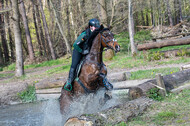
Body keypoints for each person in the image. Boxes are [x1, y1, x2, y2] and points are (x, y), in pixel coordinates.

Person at [64, 18, 113, 91]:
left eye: (97, 27)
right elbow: (75, 45)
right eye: (95, 27)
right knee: (74, 65)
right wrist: (82, 51)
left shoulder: (96, 34)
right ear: (91, 27)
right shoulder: (84, 34)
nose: (97, 29)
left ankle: (104, 81)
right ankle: (69, 82)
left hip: (88, 50)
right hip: (78, 50)